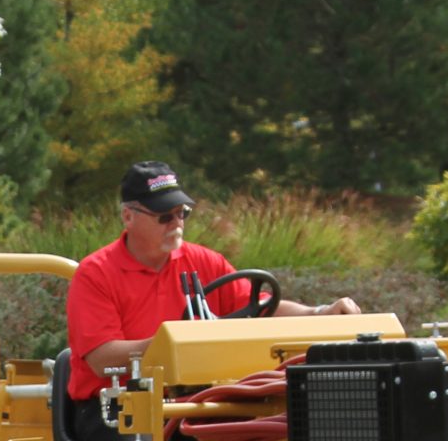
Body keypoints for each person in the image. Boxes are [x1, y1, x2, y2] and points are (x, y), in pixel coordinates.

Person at [66, 160, 361, 405]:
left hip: (195, 399)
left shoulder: (205, 261)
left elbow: (258, 309)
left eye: (182, 213)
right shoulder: (96, 273)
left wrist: (320, 313)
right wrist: (176, 342)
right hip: (117, 404)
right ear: (128, 217)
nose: (177, 223)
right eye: (165, 216)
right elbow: (102, 359)